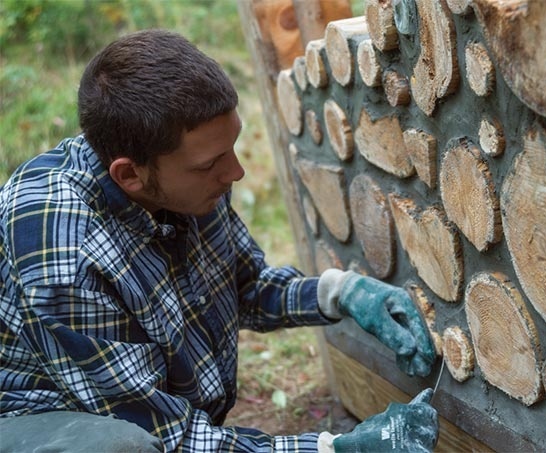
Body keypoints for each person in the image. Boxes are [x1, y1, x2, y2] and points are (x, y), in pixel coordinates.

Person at [0, 29, 439, 452]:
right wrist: (331, 449)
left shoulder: (176, 177)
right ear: (129, 174)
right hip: (35, 422)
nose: (235, 173)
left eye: (233, 147)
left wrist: (340, 293)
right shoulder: (65, 253)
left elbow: (245, 288)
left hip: (136, 408)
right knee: (123, 448)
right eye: (211, 163)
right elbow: (167, 436)